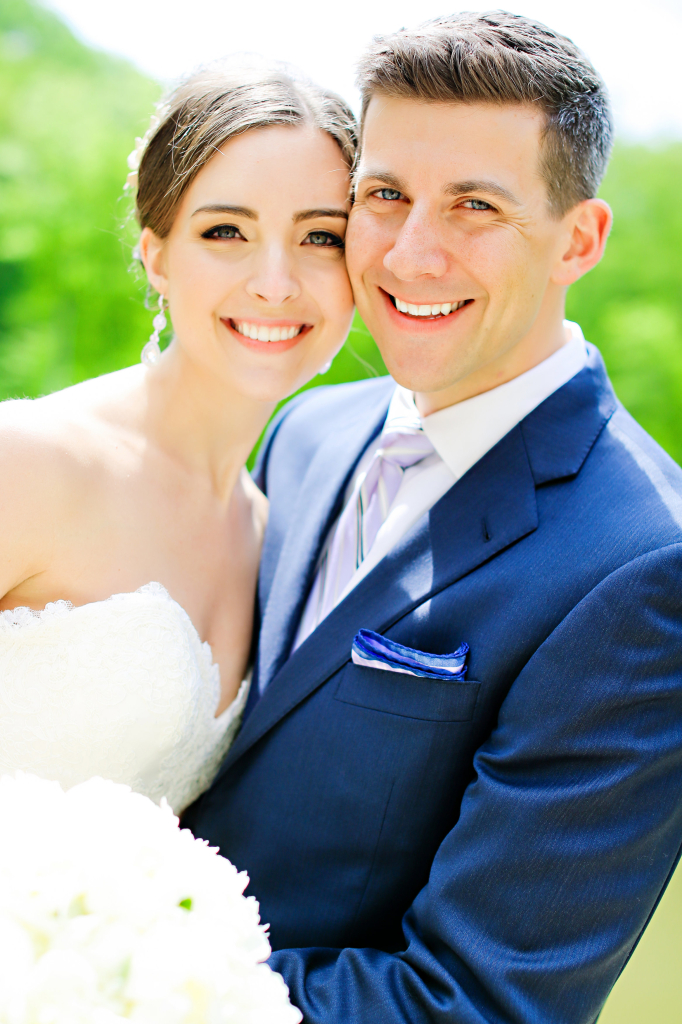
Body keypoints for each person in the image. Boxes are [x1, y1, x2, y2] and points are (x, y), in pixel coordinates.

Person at [182, 12, 682, 1023]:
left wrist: (102, 976)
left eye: (474, 208)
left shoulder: (641, 568)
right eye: (385, 196)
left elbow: (474, 1001)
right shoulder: (308, 428)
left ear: (576, 240)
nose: (412, 253)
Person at [0, 63, 356, 814]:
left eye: (321, 236)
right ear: (157, 254)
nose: (275, 282)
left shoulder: (274, 538)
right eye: (226, 230)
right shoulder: (29, 459)